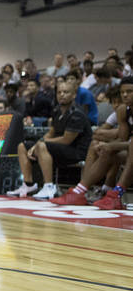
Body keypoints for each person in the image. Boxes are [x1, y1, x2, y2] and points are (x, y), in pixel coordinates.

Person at [48, 76, 133, 206]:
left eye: (129, 91)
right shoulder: (123, 111)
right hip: (129, 151)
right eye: (122, 92)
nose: (125, 95)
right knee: (102, 148)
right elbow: (122, 138)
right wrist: (108, 146)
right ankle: (81, 191)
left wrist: (110, 145)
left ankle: (117, 193)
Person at [8, 79, 92, 199]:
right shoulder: (57, 111)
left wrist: (40, 144)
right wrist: (37, 143)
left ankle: (49, 186)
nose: (62, 94)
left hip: (77, 152)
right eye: (59, 92)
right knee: (22, 146)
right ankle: (28, 184)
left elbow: (66, 140)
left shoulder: (77, 113)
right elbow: (51, 133)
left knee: (42, 146)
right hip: (60, 149)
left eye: (66, 92)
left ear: (74, 95)